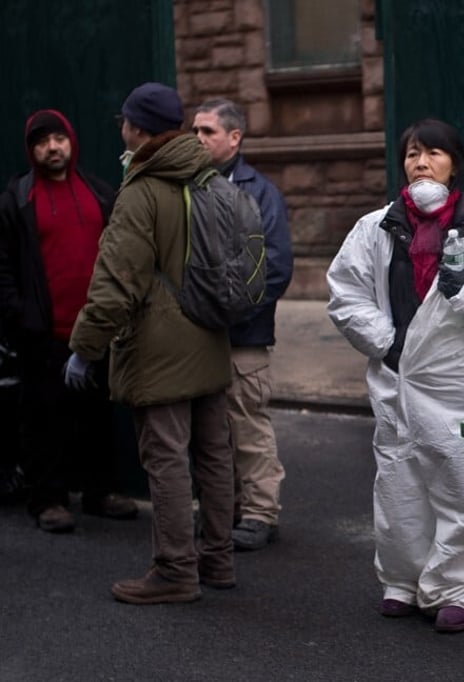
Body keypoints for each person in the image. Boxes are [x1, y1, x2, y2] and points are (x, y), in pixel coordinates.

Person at [326, 118, 464, 633]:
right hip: (397, 381)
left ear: (453, 164)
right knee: (399, 487)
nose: (421, 162)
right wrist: (388, 343)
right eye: (413, 153)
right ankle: (402, 581)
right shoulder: (375, 229)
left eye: (433, 153)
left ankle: (457, 589)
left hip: (462, 388)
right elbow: (346, 294)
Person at [66, 82, 236, 604]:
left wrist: (84, 346)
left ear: (136, 128)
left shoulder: (141, 191)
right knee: (213, 455)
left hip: (160, 349)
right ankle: (218, 561)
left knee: (165, 459)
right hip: (210, 337)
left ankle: (175, 571)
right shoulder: (211, 179)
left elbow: (116, 283)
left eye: (125, 121)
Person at [0, 109, 138, 531]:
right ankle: (48, 500)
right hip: (43, 334)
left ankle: (101, 492)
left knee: (98, 417)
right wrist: (22, 316)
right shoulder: (17, 198)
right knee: (43, 420)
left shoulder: (98, 192)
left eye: (58, 138)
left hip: (96, 330)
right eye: (42, 141)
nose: (52, 147)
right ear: (31, 150)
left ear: (71, 141)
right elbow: (3, 266)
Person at [191, 98, 293, 551]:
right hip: (199, 336)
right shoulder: (190, 188)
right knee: (210, 431)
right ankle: (221, 510)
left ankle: (259, 514)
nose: (198, 139)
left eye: (207, 131)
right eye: (194, 130)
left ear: (235, 137)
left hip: (243, 336)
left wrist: (230, 313)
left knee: (248, 426)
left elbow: (274, 267)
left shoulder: (259, 191)